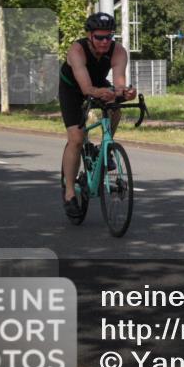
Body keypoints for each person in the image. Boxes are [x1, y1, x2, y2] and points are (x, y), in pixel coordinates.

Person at [58, 13, 136, 217]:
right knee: (76, 138)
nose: (104, 42)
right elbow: (86, 88)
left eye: (108, 37)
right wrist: (98, 92)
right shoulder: (77, 50)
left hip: (97, 83)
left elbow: (119, 82)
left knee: (114, 107)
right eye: (99, 37)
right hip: (73, 88)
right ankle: (69, 194)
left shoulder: (118, 51)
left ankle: (105, 149)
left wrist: (124, 93)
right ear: (89, 36)